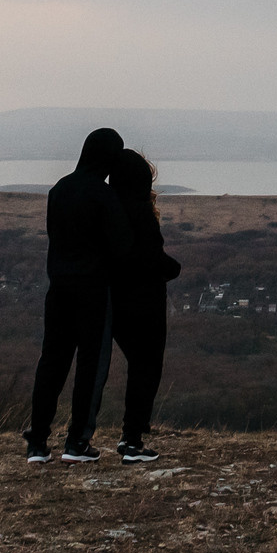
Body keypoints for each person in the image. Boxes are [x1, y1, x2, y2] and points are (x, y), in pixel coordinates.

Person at [23, 128, 133, 462]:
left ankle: (38, 443)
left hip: (58, 289)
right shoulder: (104, 195)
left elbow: (53, 236)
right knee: (91, 366)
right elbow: (122, 248)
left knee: (51, 363)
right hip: (93, 291)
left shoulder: (59, 189)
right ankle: (77, 443)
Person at [98, 147, 181, 463]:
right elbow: (149, 258)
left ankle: (124, 437)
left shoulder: (108, 208)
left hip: (114, 299)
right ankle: (131, 439)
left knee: (136, 364)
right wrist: (172, 268)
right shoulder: (140, 211)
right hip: (144, 301)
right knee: (147, 366)